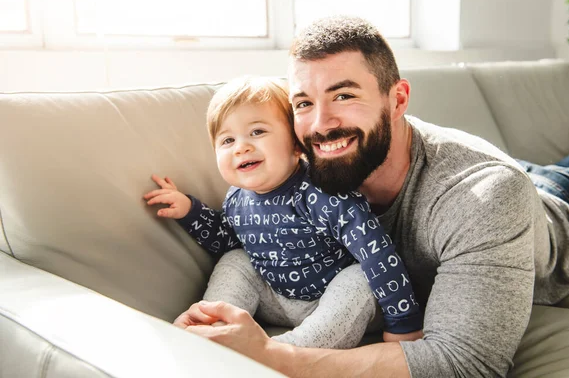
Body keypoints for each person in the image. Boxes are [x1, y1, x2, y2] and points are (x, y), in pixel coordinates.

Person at [172, 16, 569, 377]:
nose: (321, 124)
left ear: (398, 100)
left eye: (343, 95)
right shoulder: (298, 170)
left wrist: (274, 356)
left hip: (565, 207)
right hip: (502, 174)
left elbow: (467, 362)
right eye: (303, 103)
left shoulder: (484, 197)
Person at [144, 76, 423, 349]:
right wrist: (190, 212)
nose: (241, 147)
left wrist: (404, 323)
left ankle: (290, 350)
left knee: (361, 276)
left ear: (295, 143)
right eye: (227, 140)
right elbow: (226, 240)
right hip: (275, 297)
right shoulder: (236, 199)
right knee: (236, 257)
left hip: (333, 302)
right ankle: (216, 330)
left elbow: (377, 252)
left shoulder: (323, 192)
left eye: (257, 132)